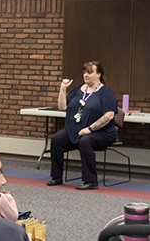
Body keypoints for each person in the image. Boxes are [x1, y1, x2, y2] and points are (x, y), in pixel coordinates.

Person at [46, 61, 117, 190]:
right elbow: (62, 107)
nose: (86, 75)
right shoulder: (78, 89)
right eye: (84, 72)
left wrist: (89, 129)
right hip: (75, 130)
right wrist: (63, 88)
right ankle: (56, 176)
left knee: (85, 141)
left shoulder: (106, 92)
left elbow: (109, 116)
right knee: (57, 139)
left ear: (99, 74)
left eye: (90, 72)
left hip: (102, 133)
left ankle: (91, 181)